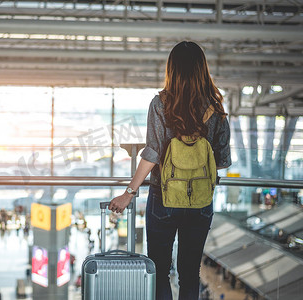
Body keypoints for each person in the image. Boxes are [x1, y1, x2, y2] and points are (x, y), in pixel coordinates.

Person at [109, 41, 231, 300]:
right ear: (202, 69)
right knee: (189, 274)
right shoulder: (216, 108)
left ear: (172, 69)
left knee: (159, 270)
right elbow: (221, 160)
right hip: (200, 200)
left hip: (163, 198)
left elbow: (152, 153)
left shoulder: (161, 103)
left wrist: (128, 193)